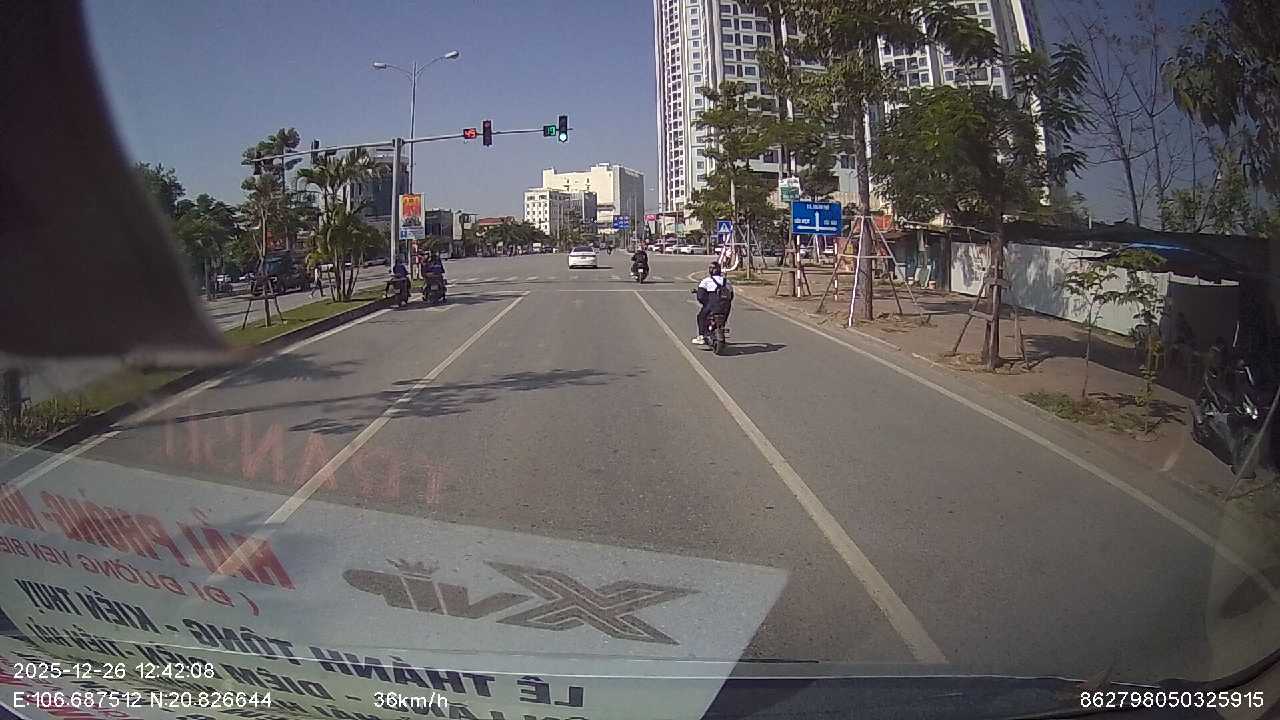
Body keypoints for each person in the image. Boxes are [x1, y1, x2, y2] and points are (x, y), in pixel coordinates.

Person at [692, 261, 733, 345]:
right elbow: (731, 295)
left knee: (701, 316)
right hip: (725, 307)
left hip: (712, 306)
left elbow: (700, 296)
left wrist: (705, 303)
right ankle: (721, 327)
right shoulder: (727, 281)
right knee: (723, 318)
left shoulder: (706, 281)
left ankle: (701, 336)